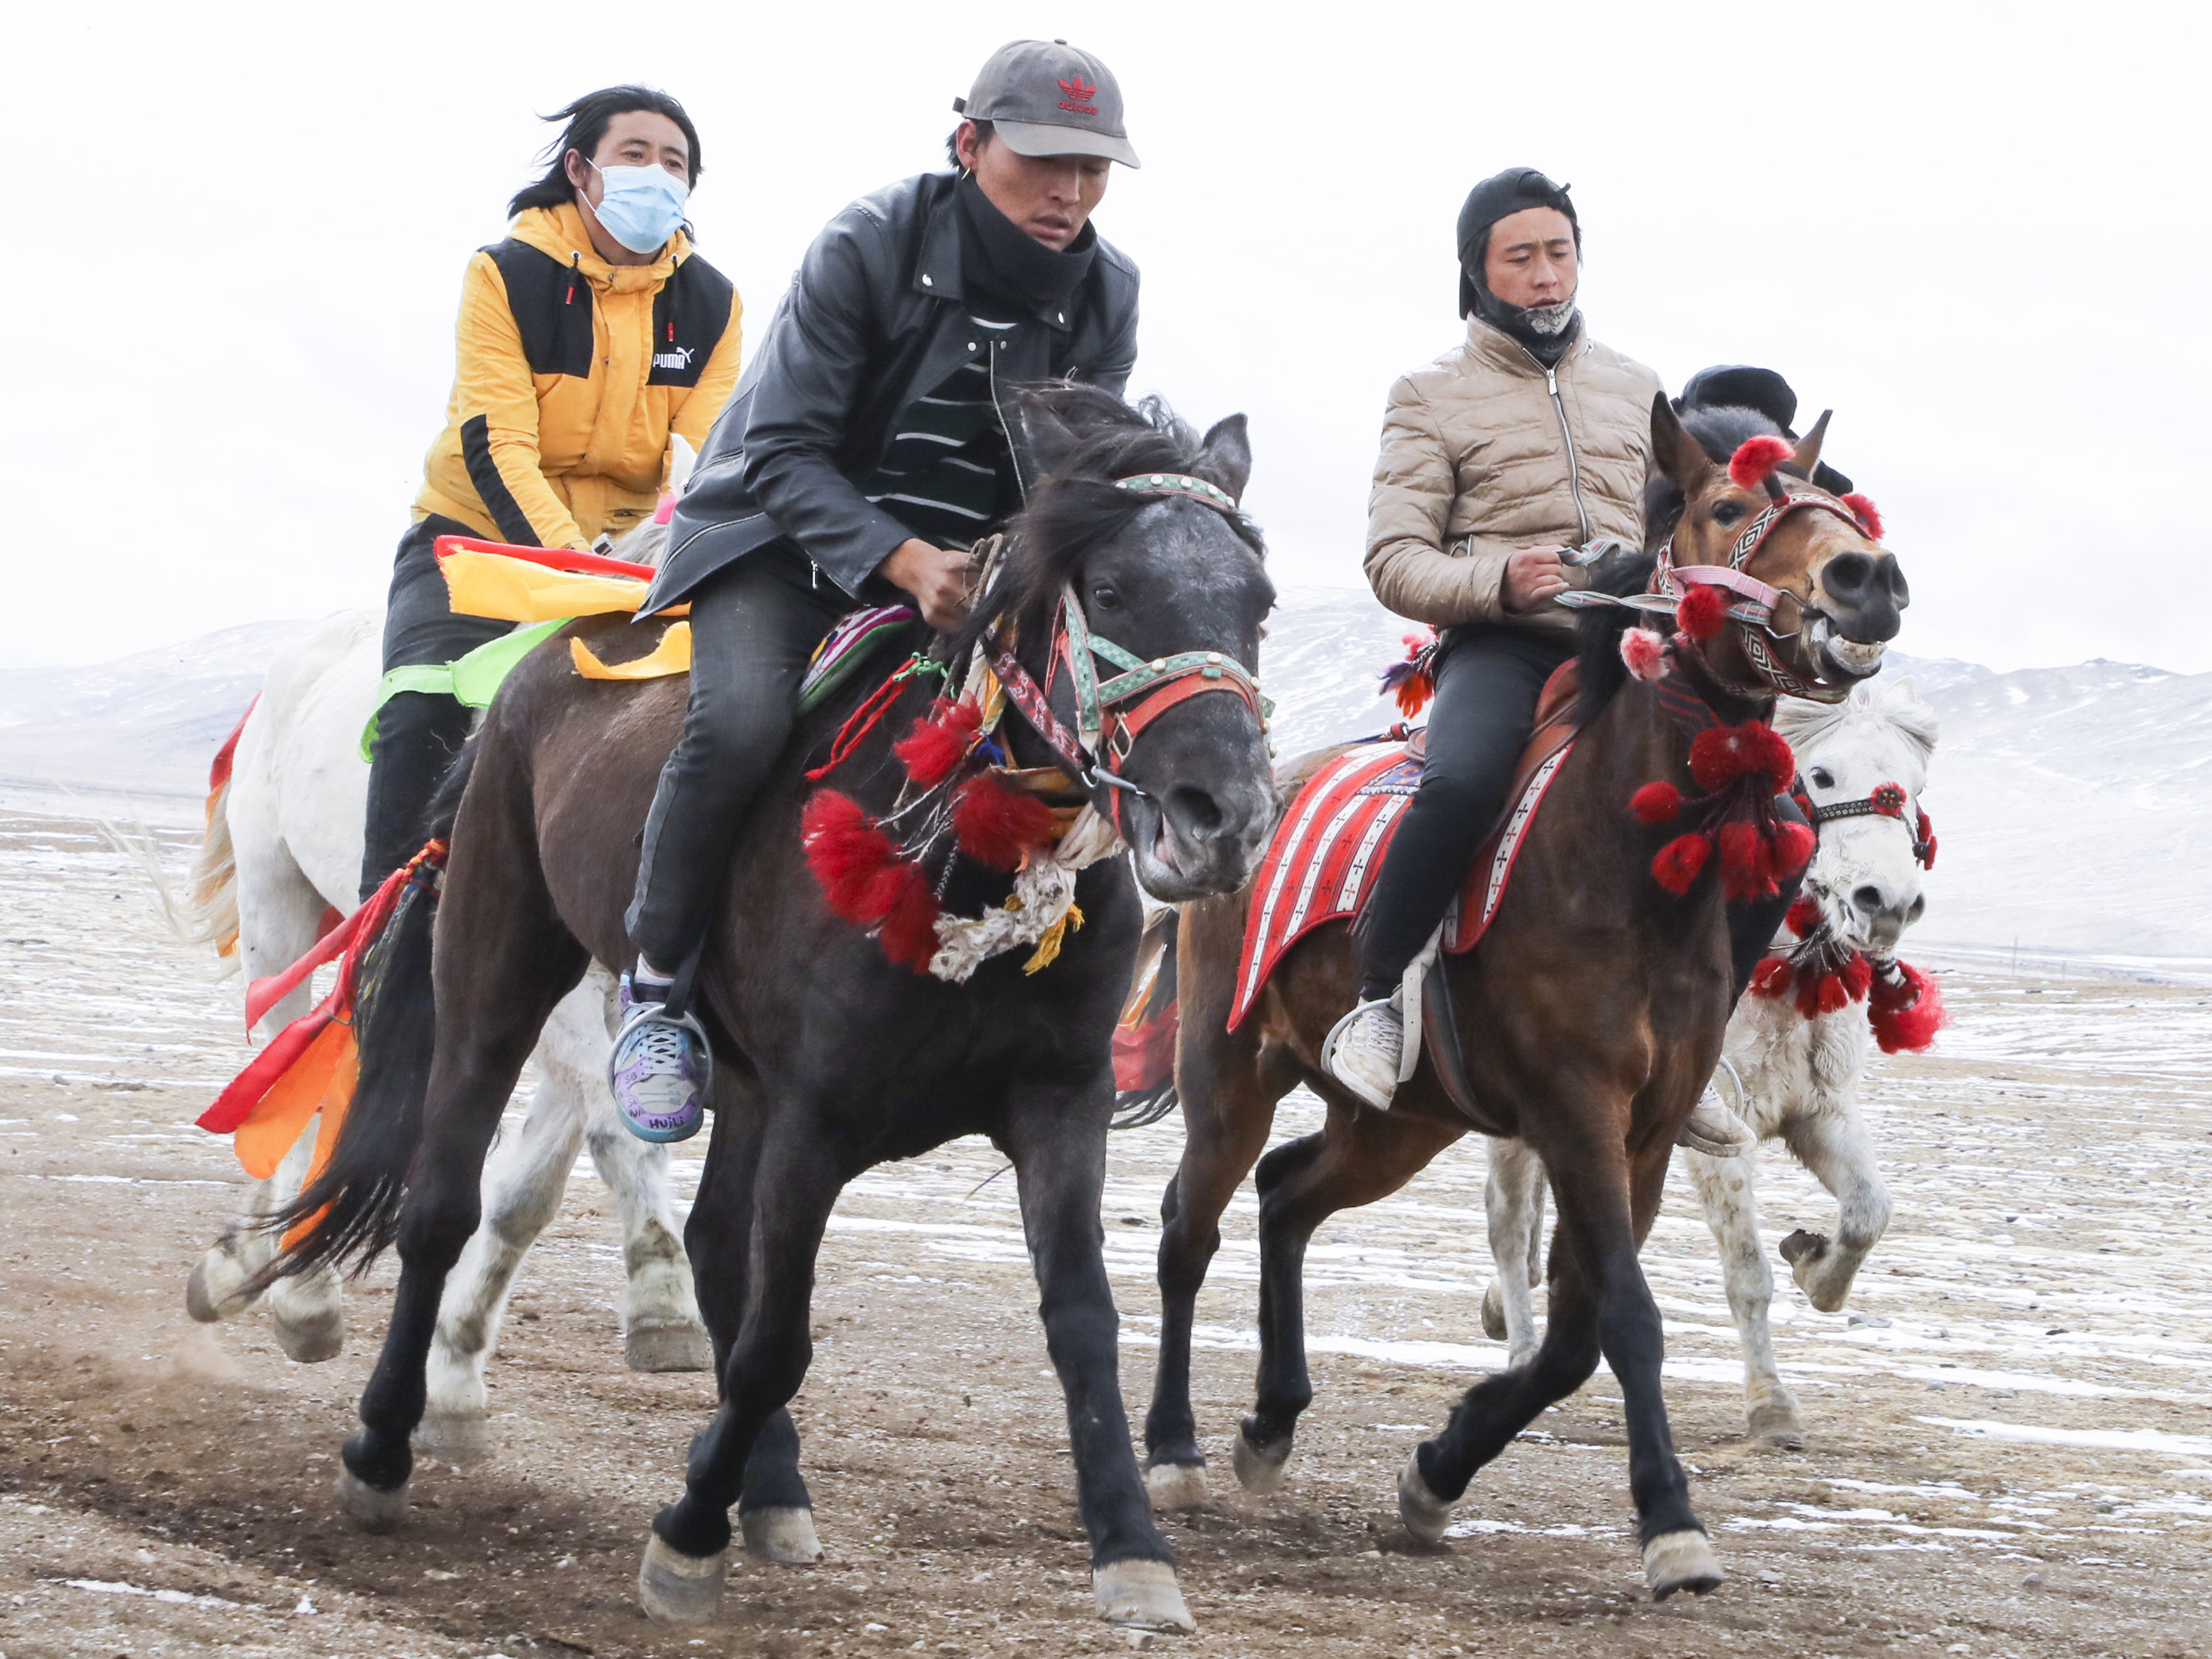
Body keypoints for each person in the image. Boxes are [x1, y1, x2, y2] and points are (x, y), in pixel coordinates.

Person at [608, 39, 1143, 1141]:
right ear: (968, 142)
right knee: (741, 718)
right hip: (780, 539)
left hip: (969, 569)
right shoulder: (871, 242)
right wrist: (898, 560)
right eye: (1044, 161)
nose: (1070, 192)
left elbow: (1071, 479)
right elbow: (783, 450)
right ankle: (658, 988)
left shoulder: (1108, 291)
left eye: (1093, 169)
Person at [1324, 168, 1748, 1152]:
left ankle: (1697, 1045)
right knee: (1462, 782)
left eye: (1560, 252)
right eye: (1521, 257)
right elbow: (1393, 559)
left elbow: (1676, 521)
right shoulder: (1429, 394)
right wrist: (1496, 583)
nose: (1547, 276)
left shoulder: (1637, 384)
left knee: (1766, 806)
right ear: (1477, 273)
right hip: (1509, 644)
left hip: (1640, 645)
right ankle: (1382, 999)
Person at [360, 86, 742, 899]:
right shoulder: (506, 274)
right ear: (581, 169)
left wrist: (671, 555)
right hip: (479, 544)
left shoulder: (713, 305)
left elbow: (715, 457)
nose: (656, 175)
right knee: (421, 712)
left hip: (634, 561)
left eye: (675, 163)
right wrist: (574, 562)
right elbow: (495, 444)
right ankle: (387, 931)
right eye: (634, 155)